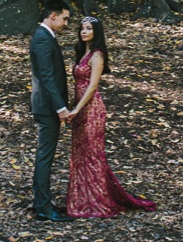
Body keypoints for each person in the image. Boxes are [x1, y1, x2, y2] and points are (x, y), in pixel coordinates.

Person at [66, 16, 156, 218]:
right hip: (79, 110)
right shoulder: (83, 53)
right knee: (80, 155)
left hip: (92, 110)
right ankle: (80, 200)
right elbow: (78, 87)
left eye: (89, 29)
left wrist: (77, 108)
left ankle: (97, 202)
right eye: (82, 29)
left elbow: (92, 87)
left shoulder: (97, 55)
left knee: (92, 156)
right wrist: (71, 108)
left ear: (96, 32)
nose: (84, 32)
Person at [29, 0, 74, 223]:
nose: (67, 23)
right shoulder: (43, 39)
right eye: (65, 18)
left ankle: (41, 202)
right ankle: (44, 208)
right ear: (53, 15)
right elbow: (47, 77)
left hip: (46, 106)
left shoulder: (46, 37)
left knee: (44, 155)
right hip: (47, 108)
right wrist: (61, 108)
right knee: (45, 157)